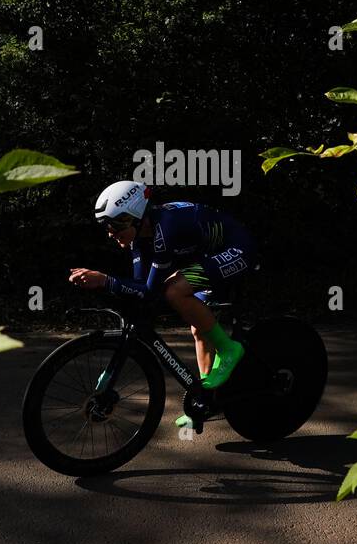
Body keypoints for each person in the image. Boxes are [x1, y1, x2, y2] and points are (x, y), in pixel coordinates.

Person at [69, 180, 259, 427]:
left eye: (116, 224)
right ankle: (206, 399)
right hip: (210, 255)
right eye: (107, 226)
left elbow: (150, 290)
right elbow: (140, 290)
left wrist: (105, 280)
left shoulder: (165, 230)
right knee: (198, 326)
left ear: (137, 216)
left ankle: (229, 349)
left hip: (238, 249)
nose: (111, 233)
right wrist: (109, 285)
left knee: (174, 291)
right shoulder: (139, 238)